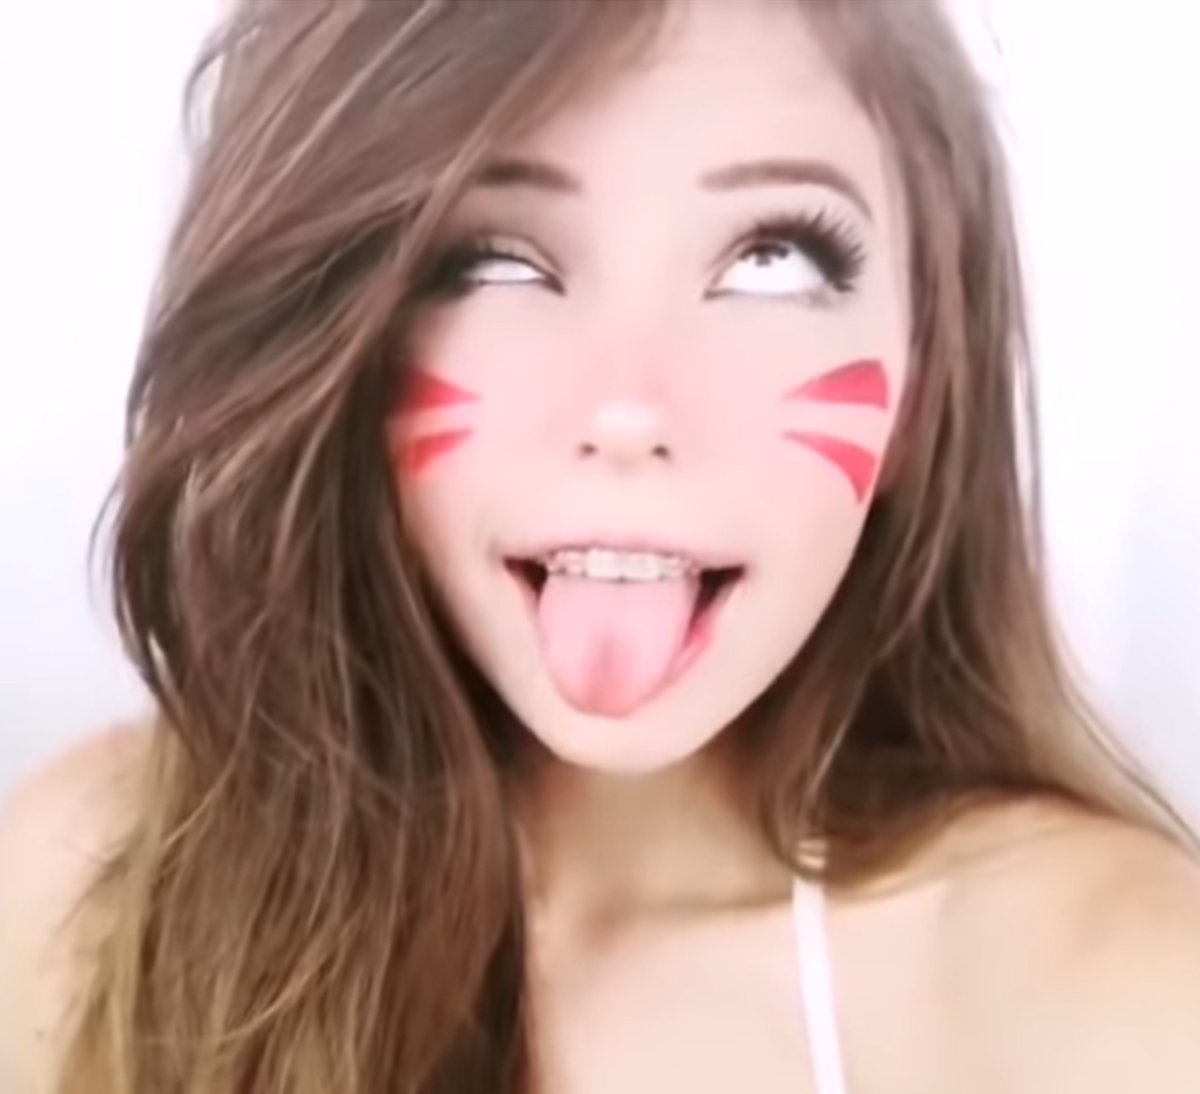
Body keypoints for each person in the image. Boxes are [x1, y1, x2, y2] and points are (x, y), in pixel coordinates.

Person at [2, 0, 1199, 1091]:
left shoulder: (1105, 987)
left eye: (772, 260)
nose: (629, 409)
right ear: (338, 337)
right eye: (495, 260)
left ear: (924, 385)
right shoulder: (93, 898)